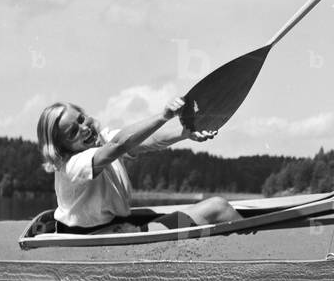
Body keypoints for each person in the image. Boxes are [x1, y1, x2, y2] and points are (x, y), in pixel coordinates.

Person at [36, 96, 240, 233]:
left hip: (117, 228)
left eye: (81, 119)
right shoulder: (72, 166)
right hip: (94, 237)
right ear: (61, 148)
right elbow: (120, 144)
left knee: (215, 207)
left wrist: (184, 132)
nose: (84, 128)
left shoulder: (102, 139)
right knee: (218, 207)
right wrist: (163, 116)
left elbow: (145, 141)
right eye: (73, 132)